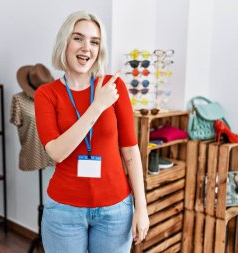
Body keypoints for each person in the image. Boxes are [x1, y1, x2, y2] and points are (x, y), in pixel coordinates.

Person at [34, 10, 149, 253]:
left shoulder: (113, 86)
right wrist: (97, 107)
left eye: (94, 41)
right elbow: (56, 152)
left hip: (116, 211)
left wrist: (142, 206)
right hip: (64, 211)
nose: (86, 47)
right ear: (64, 42)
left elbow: (130, 150)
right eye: (78, 38)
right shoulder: (46, 94)